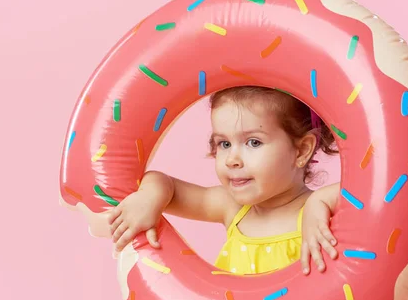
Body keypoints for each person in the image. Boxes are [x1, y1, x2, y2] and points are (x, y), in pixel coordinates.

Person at [108, 85, 342, 276]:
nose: (232, 160)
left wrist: (319, 201)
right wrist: (149, 197)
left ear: (302, 150)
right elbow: (165, 183)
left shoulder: (320, 212)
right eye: (224, 144)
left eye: (253, 142)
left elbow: (369, 194)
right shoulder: (232, 206)